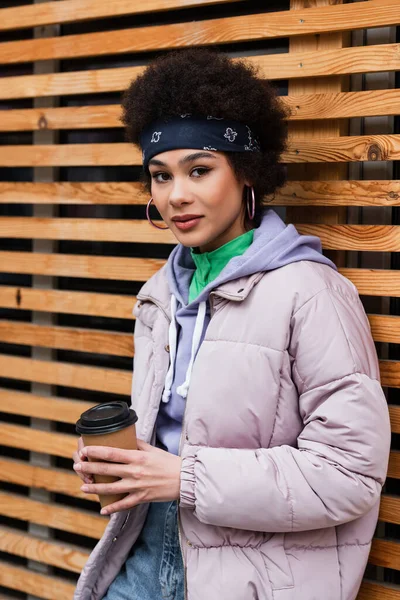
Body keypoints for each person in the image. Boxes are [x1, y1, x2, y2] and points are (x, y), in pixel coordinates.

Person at [72, 48, 391, 600]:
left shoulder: (311, 293)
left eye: (199, 170)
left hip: (251, 578)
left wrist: (183, 477)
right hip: (143, 561)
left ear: (246, 173)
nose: (176, 196)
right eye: (160, 175)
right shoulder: (159, 295)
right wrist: (125, 462)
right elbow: (172, 436)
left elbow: (350, 476)